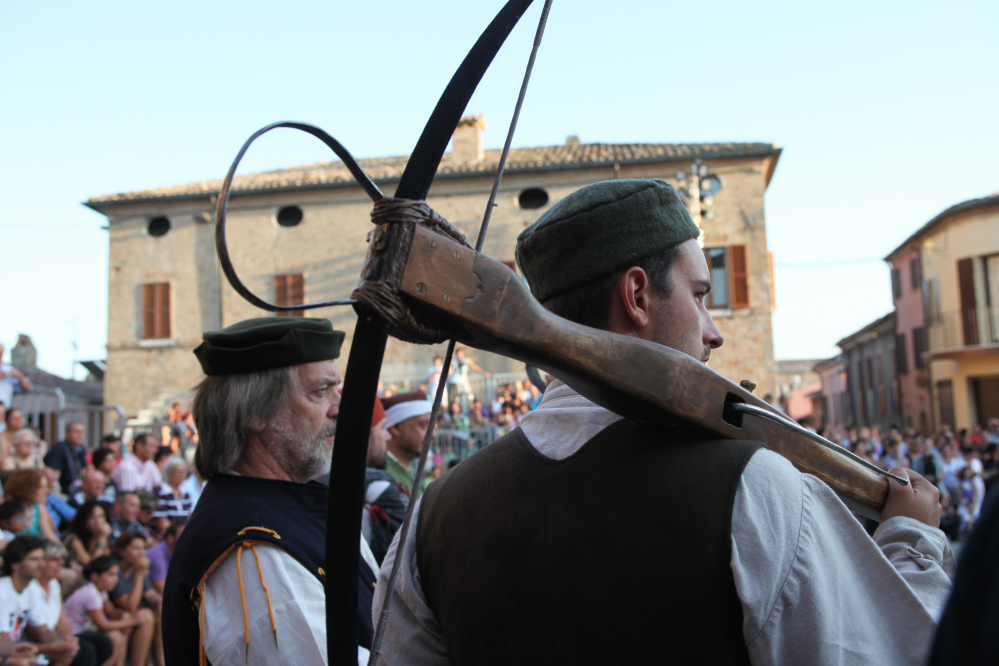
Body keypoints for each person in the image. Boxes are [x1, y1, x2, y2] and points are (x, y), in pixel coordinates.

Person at [373, 179, 954, 665]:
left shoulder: (432, 517)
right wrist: (913, 542)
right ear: (637, 296)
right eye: (700, 294)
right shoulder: (757, 486)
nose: (714, 330)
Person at [163, 317, 379, 666]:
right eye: (320, 391)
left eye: (336, 388)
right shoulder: (251, 547)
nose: (340, 406)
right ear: (257, 411)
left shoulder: (296, 503)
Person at [0, 535, 79, 666]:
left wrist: (62, 642)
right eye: (34, 559)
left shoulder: (31, 588)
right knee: (22, 663)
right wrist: (51, 647)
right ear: (15, 564)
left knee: (66, 652)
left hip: (14, 649)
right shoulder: (3, 591)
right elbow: (5, 643)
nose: (41, 564)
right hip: (6, 652)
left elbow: (44, 630)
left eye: (42, 559)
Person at [38, 542, 113, 666]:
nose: (60, 563)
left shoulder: (54, 584)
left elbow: (62, 620)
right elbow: (36, 630)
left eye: (62, 559)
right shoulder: (32, 587)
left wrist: (70, 639)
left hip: (58, 636)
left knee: (103, 642)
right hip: (41, 639)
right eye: (54, 559)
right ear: (41, 562)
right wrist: (59, 642)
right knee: (85, 650)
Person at [63, 555, 136, 666]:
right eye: (111, 575)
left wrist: (123, 615)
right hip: (74, 633)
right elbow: (103, 625)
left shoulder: (100, 590)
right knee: (115, 637)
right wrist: (135, 620)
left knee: (119, 636)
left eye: (116, 575)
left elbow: (111, 611)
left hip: (84, 630)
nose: (115, 579)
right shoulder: (92, 594)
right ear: (95, 576)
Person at [109, 532, 157, 666]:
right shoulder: (114, 570)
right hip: (117, 616)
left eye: (143, 548)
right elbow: (130, 606)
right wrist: (140, 573)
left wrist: (161, 602)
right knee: (145, 616)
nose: (141, 553)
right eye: (136, 548)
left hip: (132, 615)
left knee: (159, 611)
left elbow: (150, 594)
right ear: (121, 550)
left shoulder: (136, 567)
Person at [382, 391, 433, 494]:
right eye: (423, 425)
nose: (432, 434)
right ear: (396, 428)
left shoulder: (409, 469)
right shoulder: (385, 477)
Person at [4, 469, 59, 542]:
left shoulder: (38, 507)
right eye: (41, 487)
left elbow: (50, 536)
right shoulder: (10, 508)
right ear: (26, 488)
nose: (47, 491)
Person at [63, 500, 113, 567]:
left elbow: (108, 562)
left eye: (101, 516)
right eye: (92, 517)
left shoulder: (100, 535)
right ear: (84, 520)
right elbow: (92, 566)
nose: (98, 521)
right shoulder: (74, 539)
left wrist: (104, 538)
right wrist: (102, 539)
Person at [44, 422, 87, 495]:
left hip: (77, 491)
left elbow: (84, 470)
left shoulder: (81, 448)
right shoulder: (59, 448)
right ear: (67, 433)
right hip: (63, 493)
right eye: (77, 432)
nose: (80, 435)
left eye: (82, 432)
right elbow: (55, 474)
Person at [146, 519, 186, 595]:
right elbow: (163, 590)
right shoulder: (156, 554)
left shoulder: (182, 553)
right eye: (183, 535)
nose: (188, 539)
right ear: (170, 538)